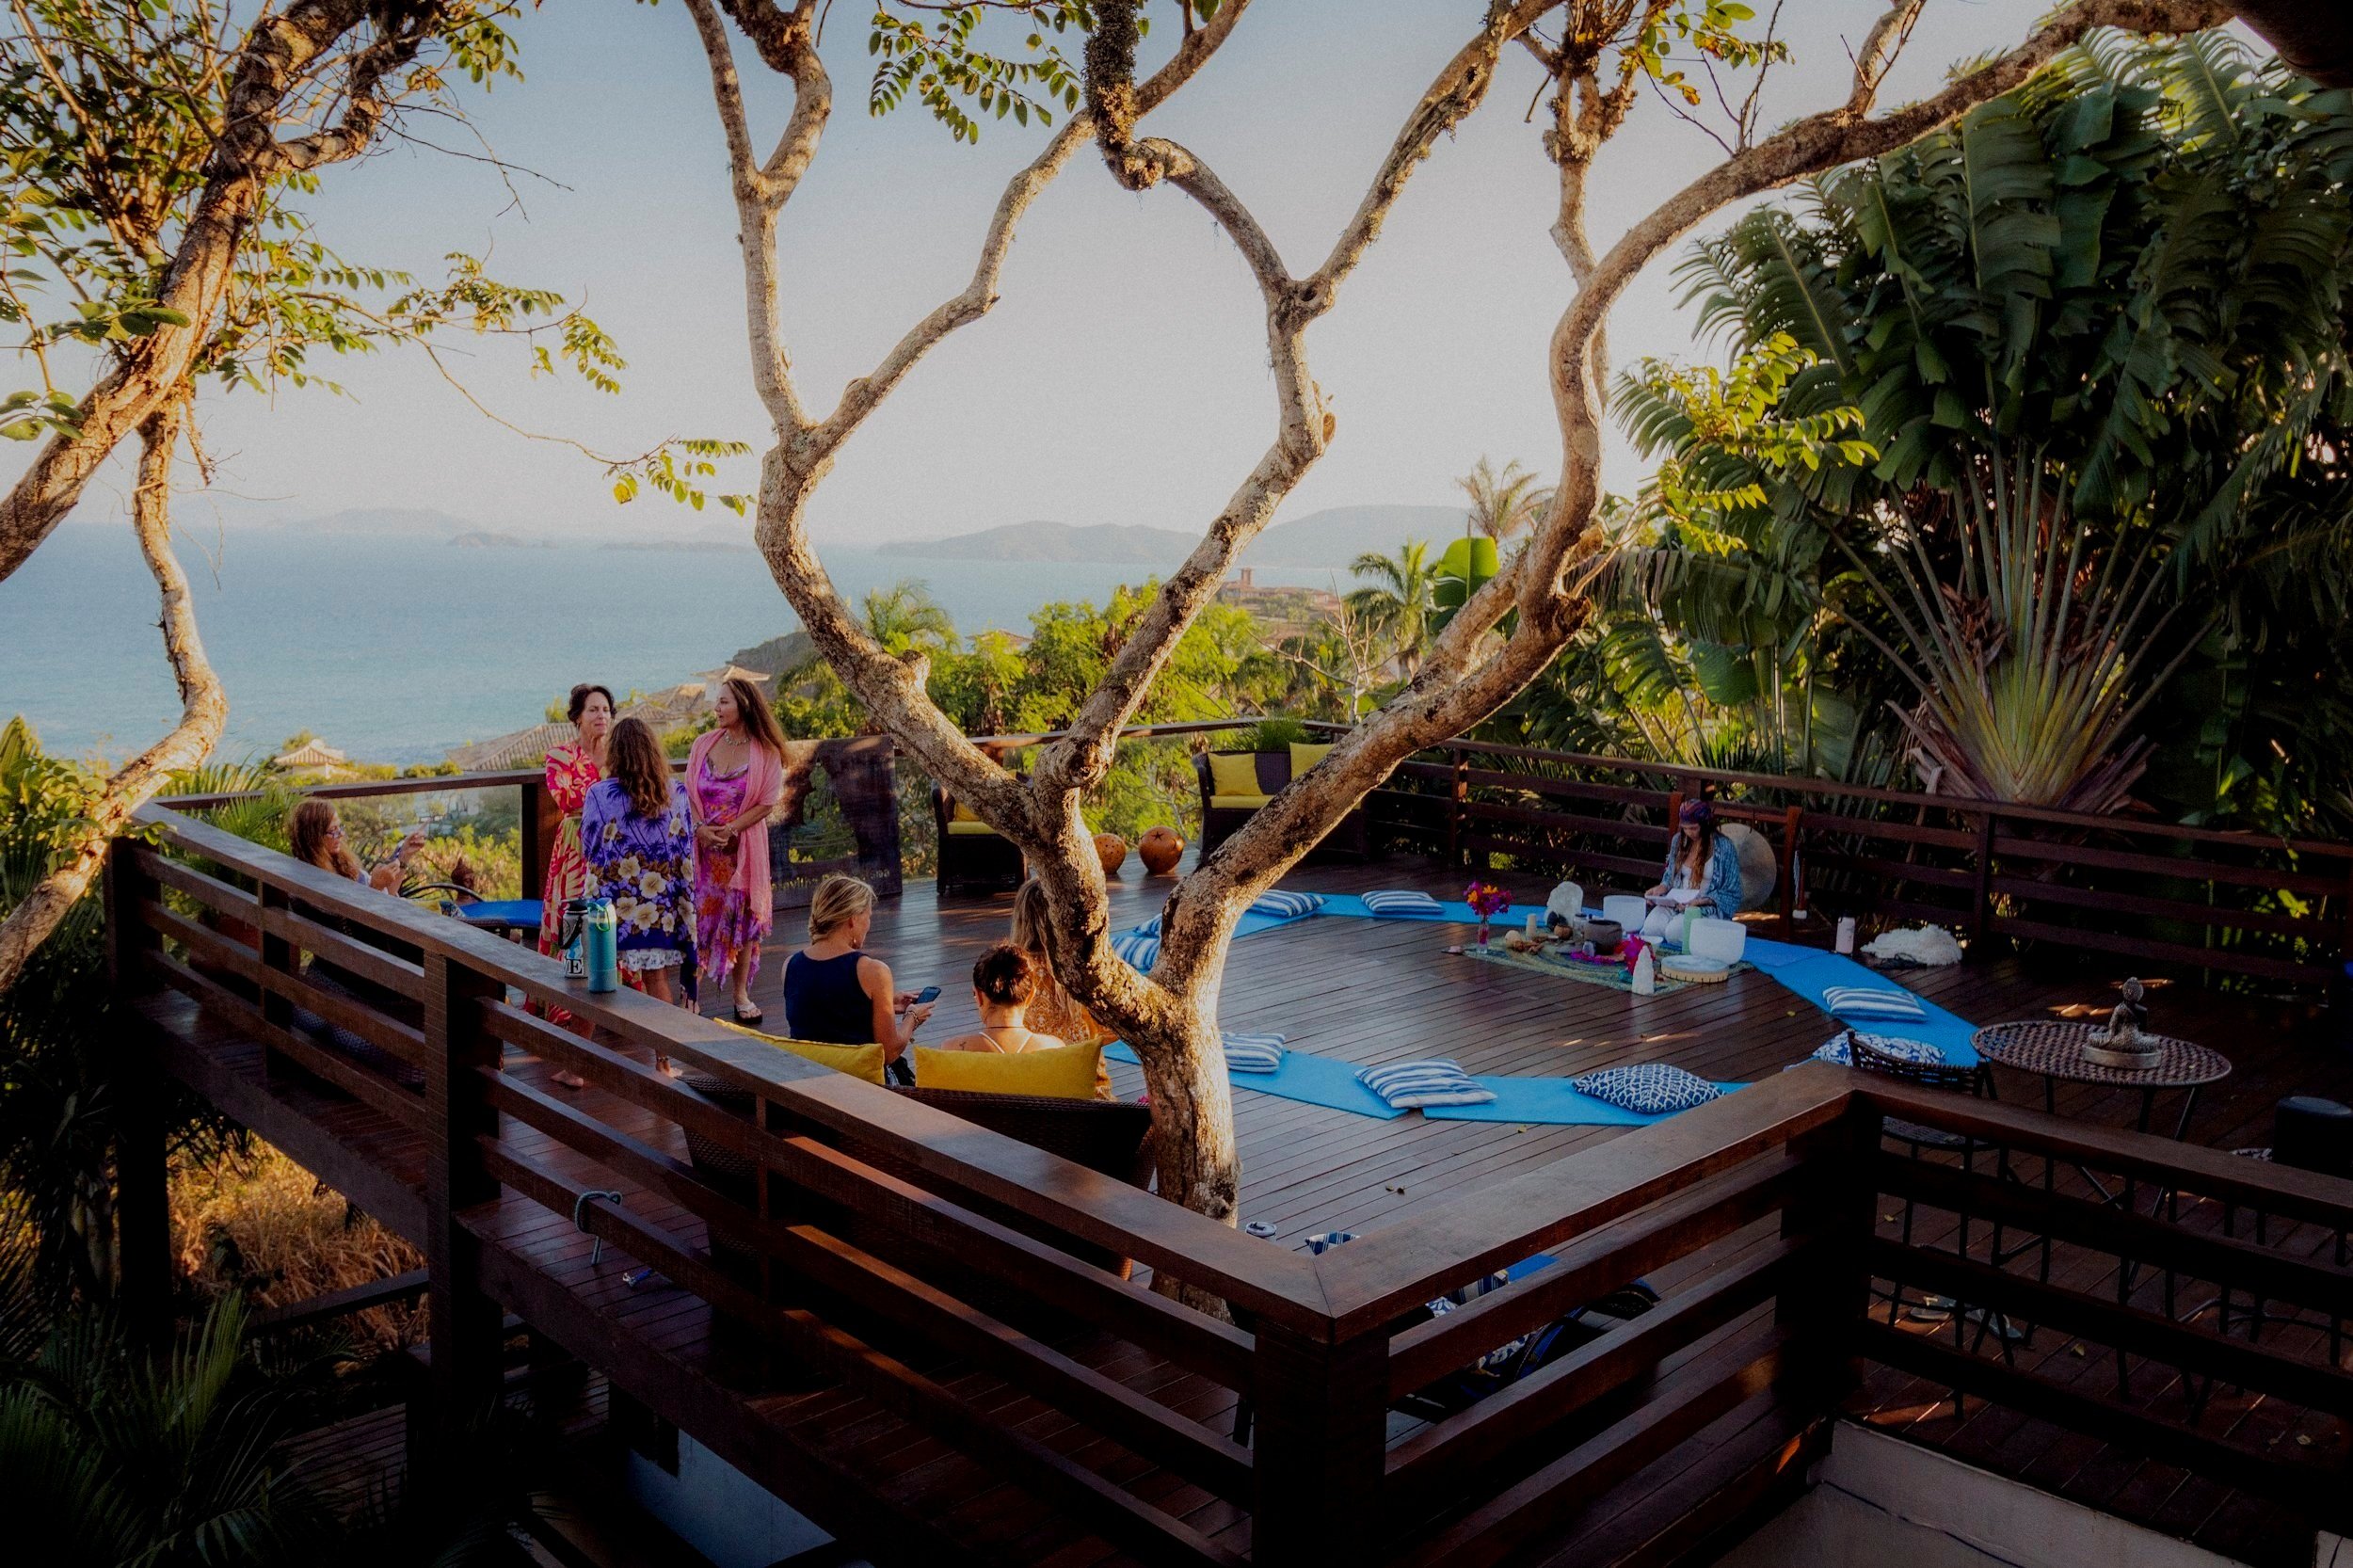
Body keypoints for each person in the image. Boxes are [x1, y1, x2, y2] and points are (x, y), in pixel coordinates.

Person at [582, 716, 698, 1077]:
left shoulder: (600, 795)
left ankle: (576, 1067)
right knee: (657, 980)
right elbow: (685, 845)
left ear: (616, 752)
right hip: (658, 911)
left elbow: (588, 846)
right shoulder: (676, 792)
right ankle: (663, 1063)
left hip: (611, 910)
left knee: (596, 981)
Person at [687, 676, 788, 1024]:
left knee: (743, 923)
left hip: (742, 851)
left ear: (744, 704)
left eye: (724, 702)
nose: (716, 708)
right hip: (704, 852)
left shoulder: (767, 752)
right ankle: (691, 991)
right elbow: (689, 792)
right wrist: (700, 829)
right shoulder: (703, 744)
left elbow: (766, 803)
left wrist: (731, 829)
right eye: (718, 702)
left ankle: (740, 994)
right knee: (700, 917)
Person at [782, 874, 931, 1083]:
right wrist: (912, 1018)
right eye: (868, 916)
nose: (869, 924)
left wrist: (883, 1003)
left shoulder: (790, 965)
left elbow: (824, 1012)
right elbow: (888, 1053)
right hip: (860, 1089)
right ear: (852, 918)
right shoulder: (873, 971)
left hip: (809, 1083)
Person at [936, 938, 1114, 1099]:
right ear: (1031, 996)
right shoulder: (1055, 1049)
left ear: (979, 996)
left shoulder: (951, 1050)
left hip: (975, 1136)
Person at [1008, 878, 1112, 1050]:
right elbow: (1112, 1029)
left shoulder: (1011, 972)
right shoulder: (1081, 968)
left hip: (1029, 1069)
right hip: (1077, 1069)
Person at [1641, 798, 1744, 943]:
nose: (1689, 832)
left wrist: (1702, 901)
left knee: (1675, 933)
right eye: (1685, 828)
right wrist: (1661, 888)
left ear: (1705, 824)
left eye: (1693, 828)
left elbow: (1733, 891)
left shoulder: (1724, 847)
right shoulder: (1678, 841)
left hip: (1705, 906)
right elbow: (1670, 875)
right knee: (1652, 929)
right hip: (1675, 902)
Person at [287, 799, 420, 893]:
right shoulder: (320, 882)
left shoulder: (336, 864)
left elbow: (388, 895)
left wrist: (404, 856)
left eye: (340, 827)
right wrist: (375, 887)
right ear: (314, 838)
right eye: (333, 830)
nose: (341, 834)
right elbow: (354, 925)